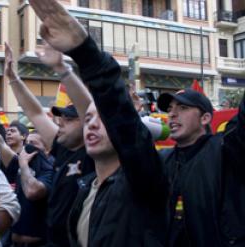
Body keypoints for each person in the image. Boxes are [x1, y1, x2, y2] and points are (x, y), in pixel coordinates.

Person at [27, 1, 170, 246]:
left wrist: (84, 52)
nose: (91, 125)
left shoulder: (141, 182)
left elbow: (121, 117)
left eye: (102, 119)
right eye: (88, 118)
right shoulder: (84, 191)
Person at [4, 41, 95, 246]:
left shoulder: (94, 156)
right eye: (60, 118)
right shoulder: (63, 150)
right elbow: (35, 113)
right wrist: (13, 78)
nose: (60, 122)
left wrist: (63, 69)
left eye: (69, 119)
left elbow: (88, 109)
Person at [156, 88, 245, 246]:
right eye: (169, 109)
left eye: (183, 108)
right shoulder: (162, 160)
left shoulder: (225, 150)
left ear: (205, 118)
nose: (172, 114)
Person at [0, 95, 53, 246]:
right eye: (28, 144)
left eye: (33, 145)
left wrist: (23, 166)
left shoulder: (49, 171)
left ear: (47, 150)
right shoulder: (22, 163)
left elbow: (33, 191)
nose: (28, 148)